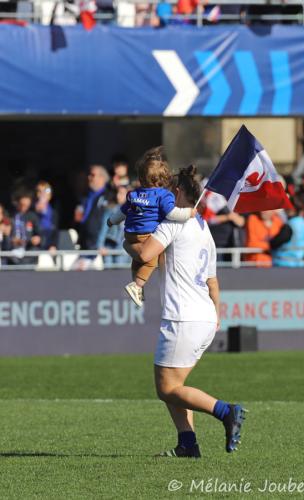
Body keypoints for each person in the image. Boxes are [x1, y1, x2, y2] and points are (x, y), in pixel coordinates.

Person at [124, 165, 246, 458]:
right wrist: (216, 315)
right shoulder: (204, 226)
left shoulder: (172, 224)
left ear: (177, 193)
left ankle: (226, 411)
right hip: (203, 316)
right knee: (174, 385)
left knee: (166, 388)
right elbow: (212, 281)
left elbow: (144, 254)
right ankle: (188, 444)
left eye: (167, 192)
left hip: (183, 316)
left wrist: (125, 242)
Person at [107, 147, 196, 307]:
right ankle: (137, 285)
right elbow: (172, 214)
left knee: (137, 260)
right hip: (146, 235)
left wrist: (111, 221)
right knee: (151, 260)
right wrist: (189, 213)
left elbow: (123, 211)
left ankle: (137, 284)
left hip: (130, 234)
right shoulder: (163, 195)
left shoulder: (134, 194)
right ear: (163, 179)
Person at [74, 165, 110, 251]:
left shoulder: (109, 197)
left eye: (93, 175)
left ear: (102, 178)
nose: (89, 177)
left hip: (100, 246)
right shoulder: (85, 196)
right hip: (84, 243)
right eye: (89, 175)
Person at [271, 196, 304, 267]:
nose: (284, 209)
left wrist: (268, 241)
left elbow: (275, 242)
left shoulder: (290, 225)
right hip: (299, 263)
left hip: (284, 264)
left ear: (291, 209)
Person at [97, 185, 130, 267]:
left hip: (124, 245)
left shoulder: (133, 210)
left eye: (122, 193)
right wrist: (100, 245)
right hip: (110, 244)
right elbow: (104, 228)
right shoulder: (111, 209)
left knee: (121, 271)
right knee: (108, 270)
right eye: (117, 193)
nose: (118, 196)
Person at [9, 190, 41, 265]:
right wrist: (11, 239)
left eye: (26, 206)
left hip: (28, 248)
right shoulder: (10, 215)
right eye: (22, 205)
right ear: (17, 203)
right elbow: (6, 235)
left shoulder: (32, 216)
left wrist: (37, 239)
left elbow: (39, 233)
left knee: (34, 252)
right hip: (12, 249)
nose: (24, 208)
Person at [34, 181, 58, 251]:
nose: (43, 193)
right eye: (39, 191)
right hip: (36, 248)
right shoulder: (31, 212)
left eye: (46, 190)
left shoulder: (54, 213)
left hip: (49, 246)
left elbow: (55, 232)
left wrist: (53, 245)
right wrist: (37, 212)